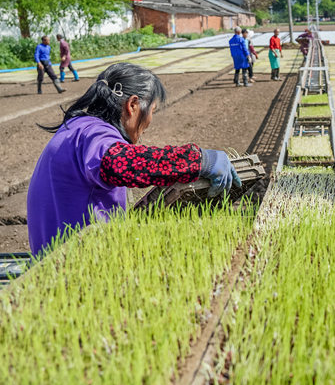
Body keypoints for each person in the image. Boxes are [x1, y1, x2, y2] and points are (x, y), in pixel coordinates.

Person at [27, 62, 241, 256]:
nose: (149, 121)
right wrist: (199, 160)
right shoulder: (95, 134)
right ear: (133, 105)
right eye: (152, 111)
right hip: (76, 263)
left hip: (57, 258)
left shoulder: (77, 127)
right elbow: (121, 164)